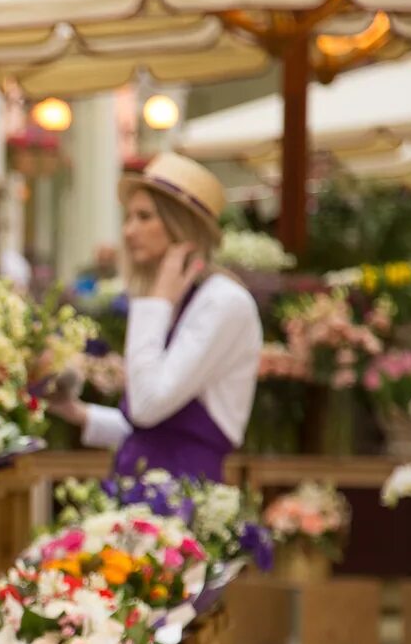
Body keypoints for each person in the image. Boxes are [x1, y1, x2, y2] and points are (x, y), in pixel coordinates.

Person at [48, 153, 260, 480]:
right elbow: (149, 428)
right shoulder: (179, 299)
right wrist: (76, 413)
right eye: (128, 217)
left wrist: (155, 302)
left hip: (184, 500)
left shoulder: (223, 302)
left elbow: (148, 407)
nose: (129, 231)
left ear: (181, 225)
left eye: (145, 217)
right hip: (145, 490)